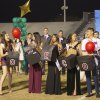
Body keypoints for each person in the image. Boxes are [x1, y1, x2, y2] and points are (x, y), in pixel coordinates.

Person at [81, 27, 100, 98]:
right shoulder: (84, 41)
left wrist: (95, 53)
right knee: (88, 75)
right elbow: (83, 51)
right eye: (86, 31)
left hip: (95, 58)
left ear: (92, 32)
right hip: (87, 59)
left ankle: (97, 92)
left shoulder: (97, 40)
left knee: (95, 75)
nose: (87, 32)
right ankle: (89, 92)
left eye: (88, 31)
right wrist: (87, 54)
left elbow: (99, 50)